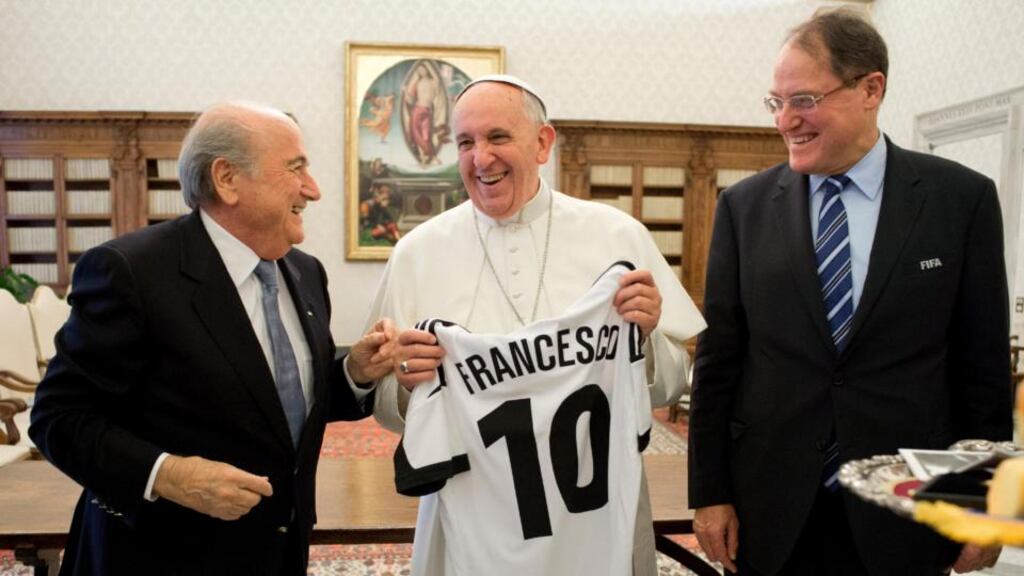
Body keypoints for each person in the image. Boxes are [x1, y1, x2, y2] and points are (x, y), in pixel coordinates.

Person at [688, 10, 1011, 576]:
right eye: (777, 102)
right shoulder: (744, 209)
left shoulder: (960, 200)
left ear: (871, 89)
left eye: (805, 100)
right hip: (772, 503)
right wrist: (709, 492)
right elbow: (720, 362)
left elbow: (981, 372)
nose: (786, 121)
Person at [29, 101, 393, 576]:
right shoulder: (132, 272)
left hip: (278, 554)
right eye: (295, 167)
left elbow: (274, 404)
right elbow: (59, 418)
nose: (314, 189)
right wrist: (170, 475)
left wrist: (353, 373)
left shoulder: (305, 273)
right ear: (226, 179)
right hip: (158, 558)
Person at [367, 74, 706, 575]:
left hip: (595, 517)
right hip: (472, 523)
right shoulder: (418, 253)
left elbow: (666, 389)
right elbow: (388, 411)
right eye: (465, 142)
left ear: (543, 143)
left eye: (498, 137)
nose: (481, 158)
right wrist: (405, 384)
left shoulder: (616, 236)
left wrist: (645, 338)